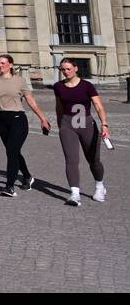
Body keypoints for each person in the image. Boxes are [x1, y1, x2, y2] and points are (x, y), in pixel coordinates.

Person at [0, 53, 50, 197]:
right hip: (1, 120)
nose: (0, 65)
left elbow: (30, 100)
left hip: (18, 119)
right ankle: (28, 177)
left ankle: (9, 187)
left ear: (11, 65)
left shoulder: (20, 81)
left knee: (11, 152)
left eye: (3, 63)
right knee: (14, 152)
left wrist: (42, 118)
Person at [51, 58, 110, 206]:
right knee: (71, 159)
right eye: (63, 69)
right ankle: (75, 194)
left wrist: (104, 125)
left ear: (76, 68)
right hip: (67, 124)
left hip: (86, 124)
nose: (66, 72)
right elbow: (59, 107)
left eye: (69, 68)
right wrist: (60, 124)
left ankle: (99, 186)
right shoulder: (58, 86)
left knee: (93, 160)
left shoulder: (87, 86)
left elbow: (98, 106)